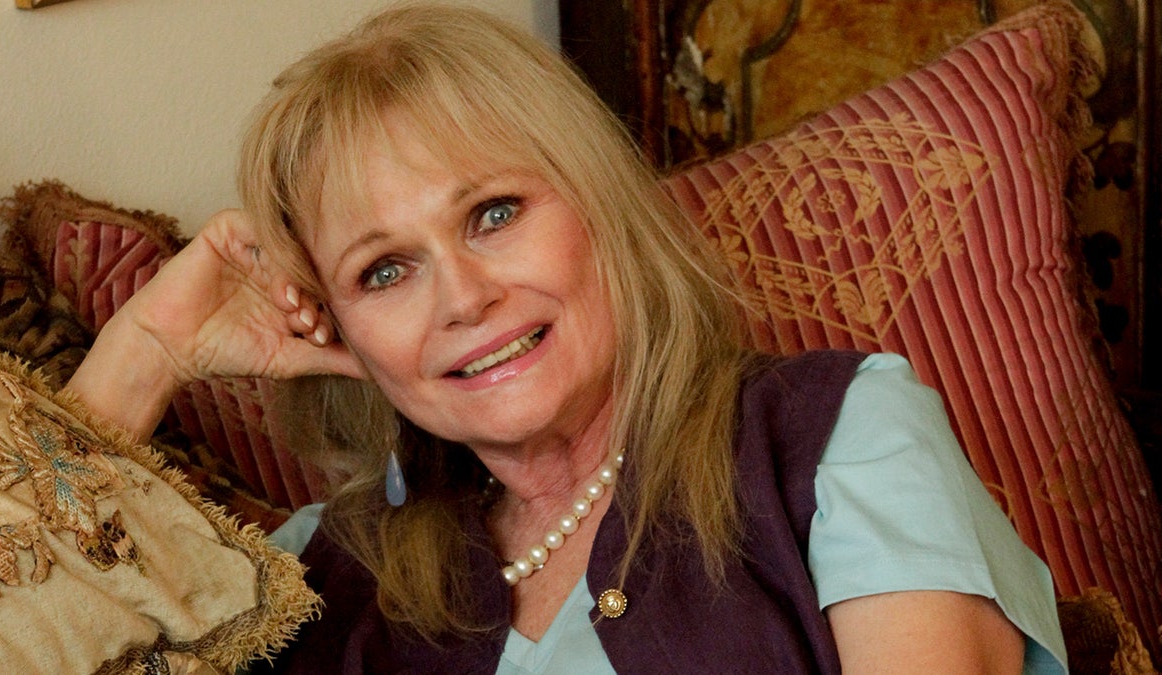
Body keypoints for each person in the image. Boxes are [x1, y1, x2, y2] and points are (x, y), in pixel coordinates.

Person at [65, 3, 1067, 673]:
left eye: (494, 213)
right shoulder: (310, 575)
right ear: (341, 329)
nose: (461, 297)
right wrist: (147, 355)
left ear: (600, 209)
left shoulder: (837, 437)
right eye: (385, 271)